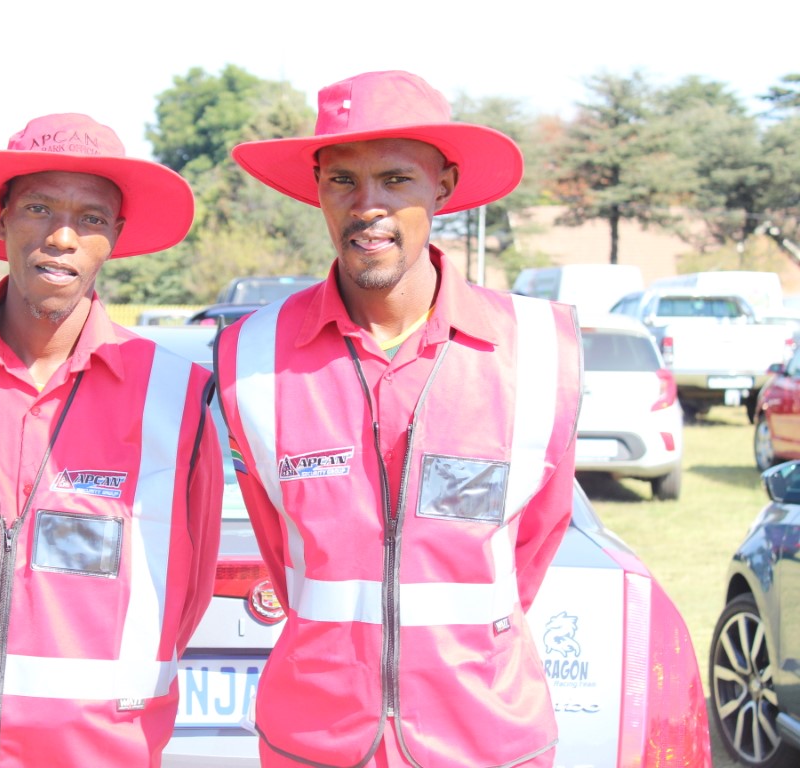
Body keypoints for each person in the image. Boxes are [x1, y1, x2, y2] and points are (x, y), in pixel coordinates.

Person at [214, 71, 583, 767]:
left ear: (444, 185)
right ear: (318, 188)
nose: (367, 206)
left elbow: (536, 541)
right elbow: (282, 548)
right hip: (316, 741)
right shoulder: (252, 354)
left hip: (484, 740)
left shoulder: (540, 348)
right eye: (342, 180)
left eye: (395, 179)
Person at [0, 113, 223, 767]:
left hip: (97, 753)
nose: (61, 236)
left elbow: (189, 593)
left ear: (114, 236)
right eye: (38, 208)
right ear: (2, 220)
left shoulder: (175, 394)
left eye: (90, 217)